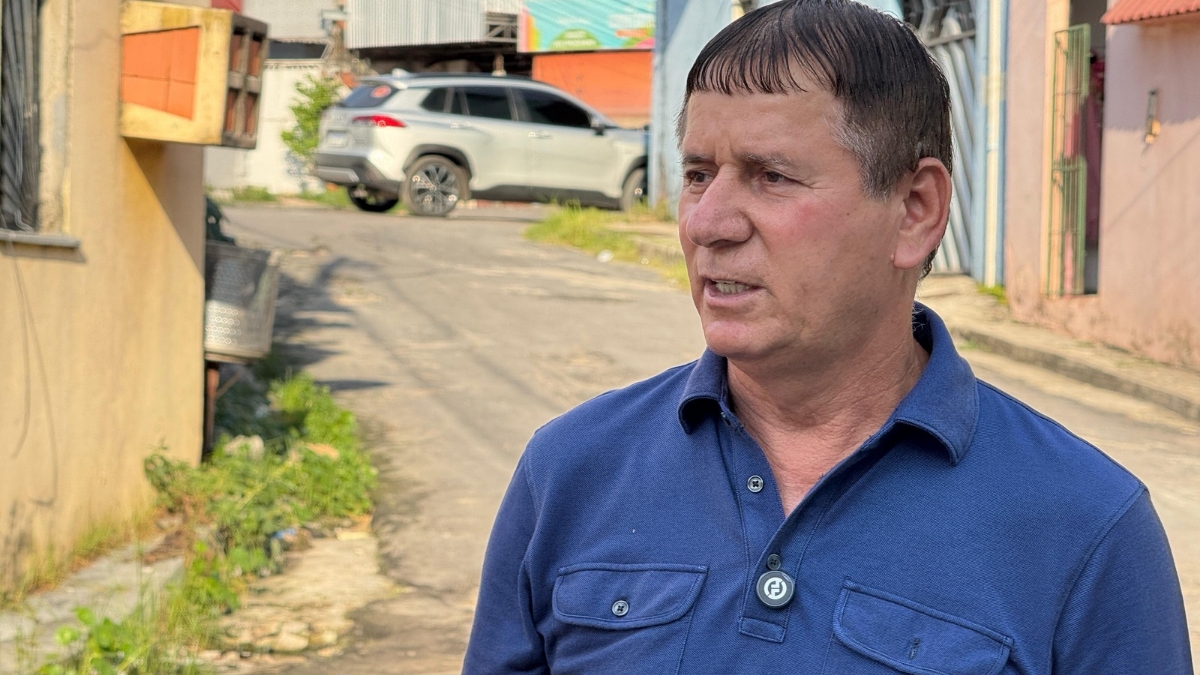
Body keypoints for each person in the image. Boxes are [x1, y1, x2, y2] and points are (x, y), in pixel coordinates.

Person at [462, 0, 1193, 672]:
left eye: (771, 176)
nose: (707, 223)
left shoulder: (1087, 527)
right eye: (698, 174)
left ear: (914, 209)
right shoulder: (569, 471)